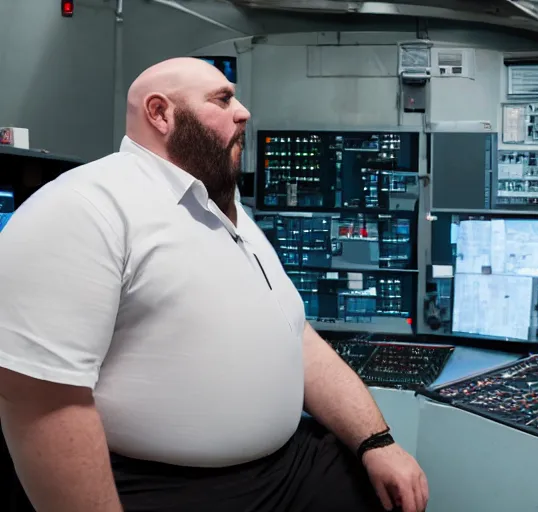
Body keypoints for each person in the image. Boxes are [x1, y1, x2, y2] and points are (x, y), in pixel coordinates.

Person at [0, 57, 428, 512]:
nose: (242, 111)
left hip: (292, 466)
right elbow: (41, 399)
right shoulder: (84, 207)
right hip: (170, 487)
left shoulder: (231, 212)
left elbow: (296, 337)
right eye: (223, 99)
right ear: (161, 113)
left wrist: (377, 442)